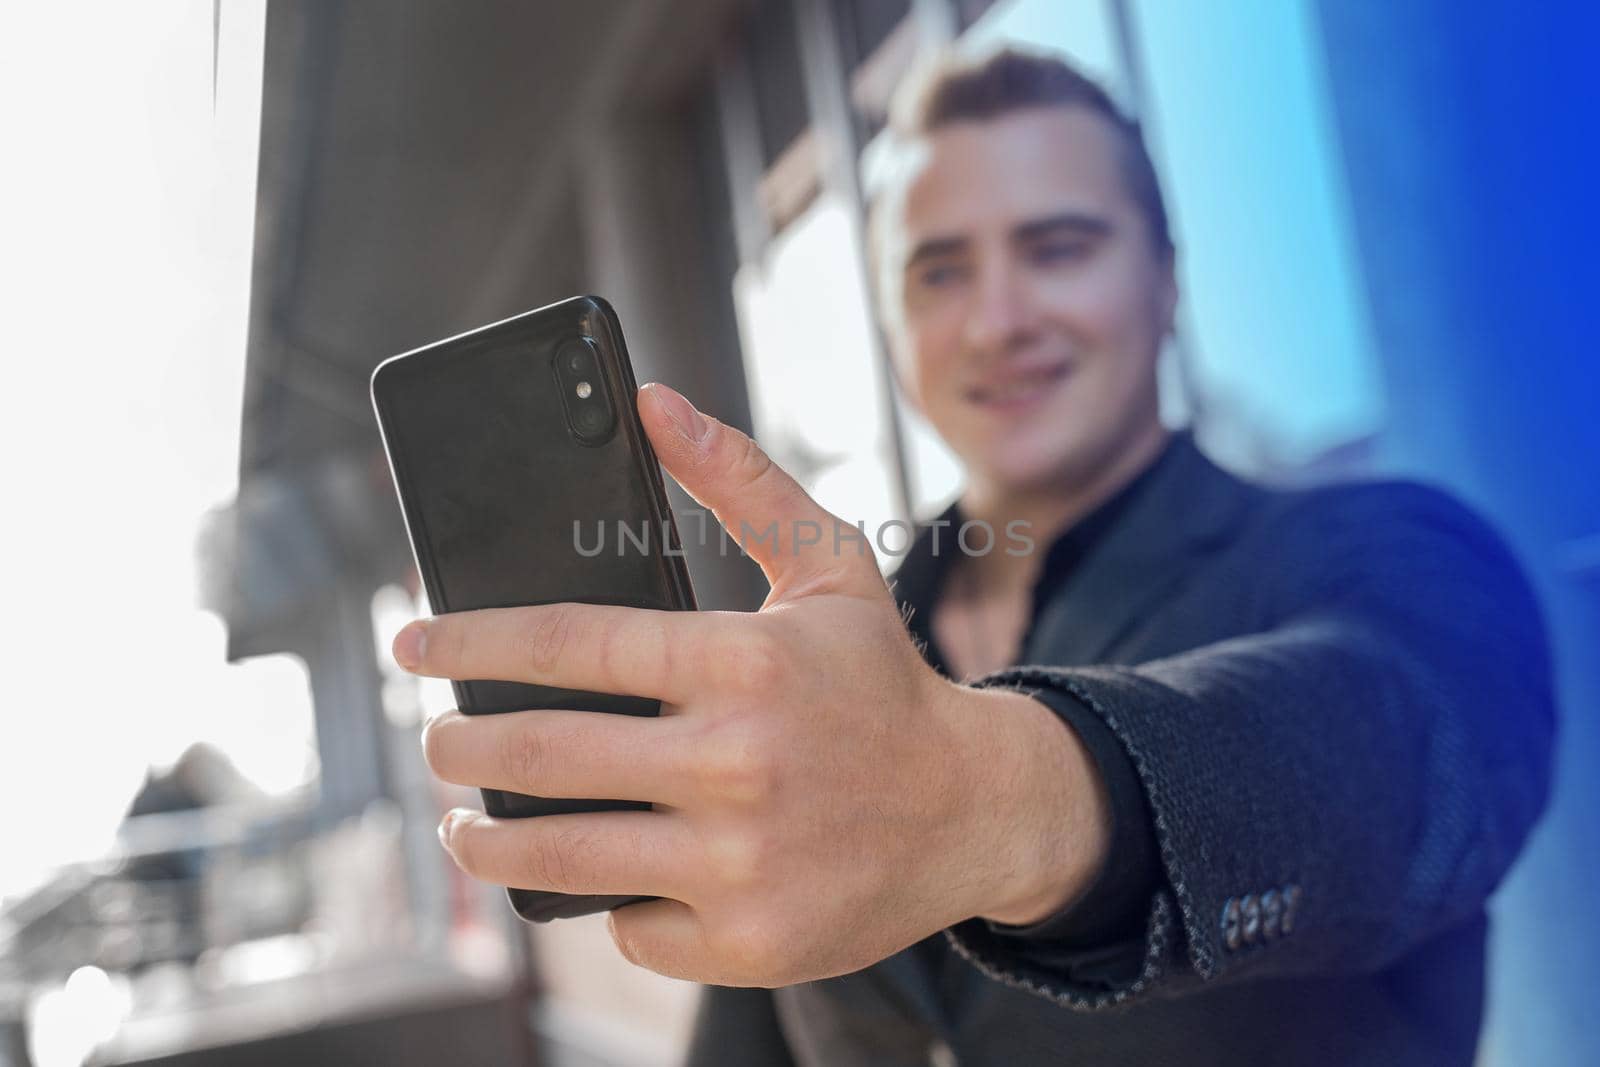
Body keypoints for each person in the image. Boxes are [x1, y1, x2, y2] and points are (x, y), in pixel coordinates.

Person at [392, 49, 1554, 1066]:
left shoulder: (1392, 557)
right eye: (940, 271)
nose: (997, 318)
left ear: (1165, 282)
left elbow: (1393, 748)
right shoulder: (822, 660)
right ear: (895, 325)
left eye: (1058, 247)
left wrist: (987, 795)